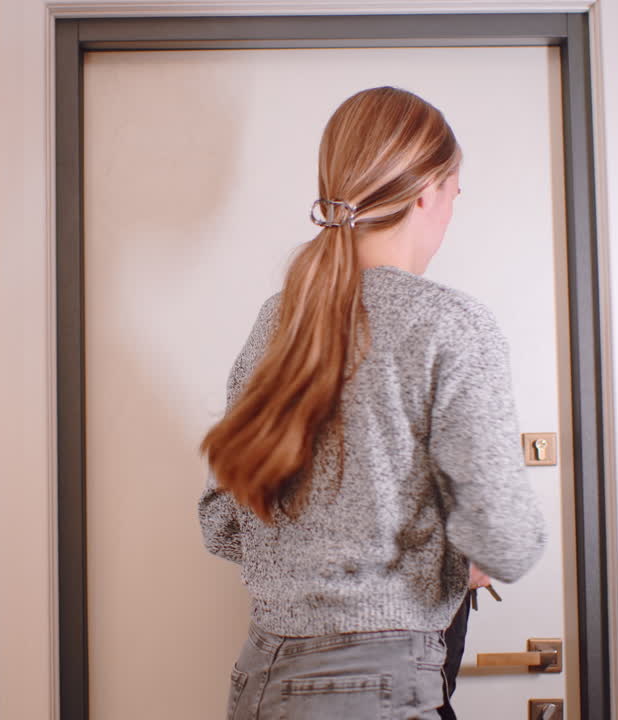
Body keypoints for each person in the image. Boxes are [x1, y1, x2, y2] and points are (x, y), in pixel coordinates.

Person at [198, 86, 546, 720]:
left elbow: (221, 523)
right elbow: (507, 541)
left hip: (262, 685)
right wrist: (455, 558)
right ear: (425, 192)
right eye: (454, 191)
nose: (452, 209)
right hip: (379, 693)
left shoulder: (276, 322)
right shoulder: (449, 325)